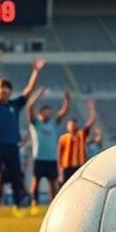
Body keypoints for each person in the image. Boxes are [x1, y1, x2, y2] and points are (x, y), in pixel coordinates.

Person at [0, 49, 43, 218]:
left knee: (16, 178)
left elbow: (29, 90)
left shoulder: (15, 104)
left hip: (12, 146)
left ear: (10, 92)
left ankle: (17, 206)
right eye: (1, 89)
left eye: (7, 89)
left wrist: (35, 71)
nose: (4, 91)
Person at [27, 87, 69, 215]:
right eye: (45, 112)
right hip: (39, 158)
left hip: (51, 159)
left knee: (53, 184)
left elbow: (63, 113)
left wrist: (67, 101)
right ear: (40, 113)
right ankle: (34, 203)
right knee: (36, 182)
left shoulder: (53, 123)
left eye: (49, 112)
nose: (48, 114)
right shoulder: (36, 123)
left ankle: (53, 205)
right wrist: (37, 96)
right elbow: (30, 107)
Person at [57, 100, 98, 183]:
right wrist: (60, 172)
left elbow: (91, 121)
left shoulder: (81, 134)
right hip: (67, 168)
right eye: (71, 125)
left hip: (79, 167)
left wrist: (92, 109)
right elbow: (59, 156)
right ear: (67, 126)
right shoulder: (63, 138)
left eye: (74, 124)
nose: (72, 126)